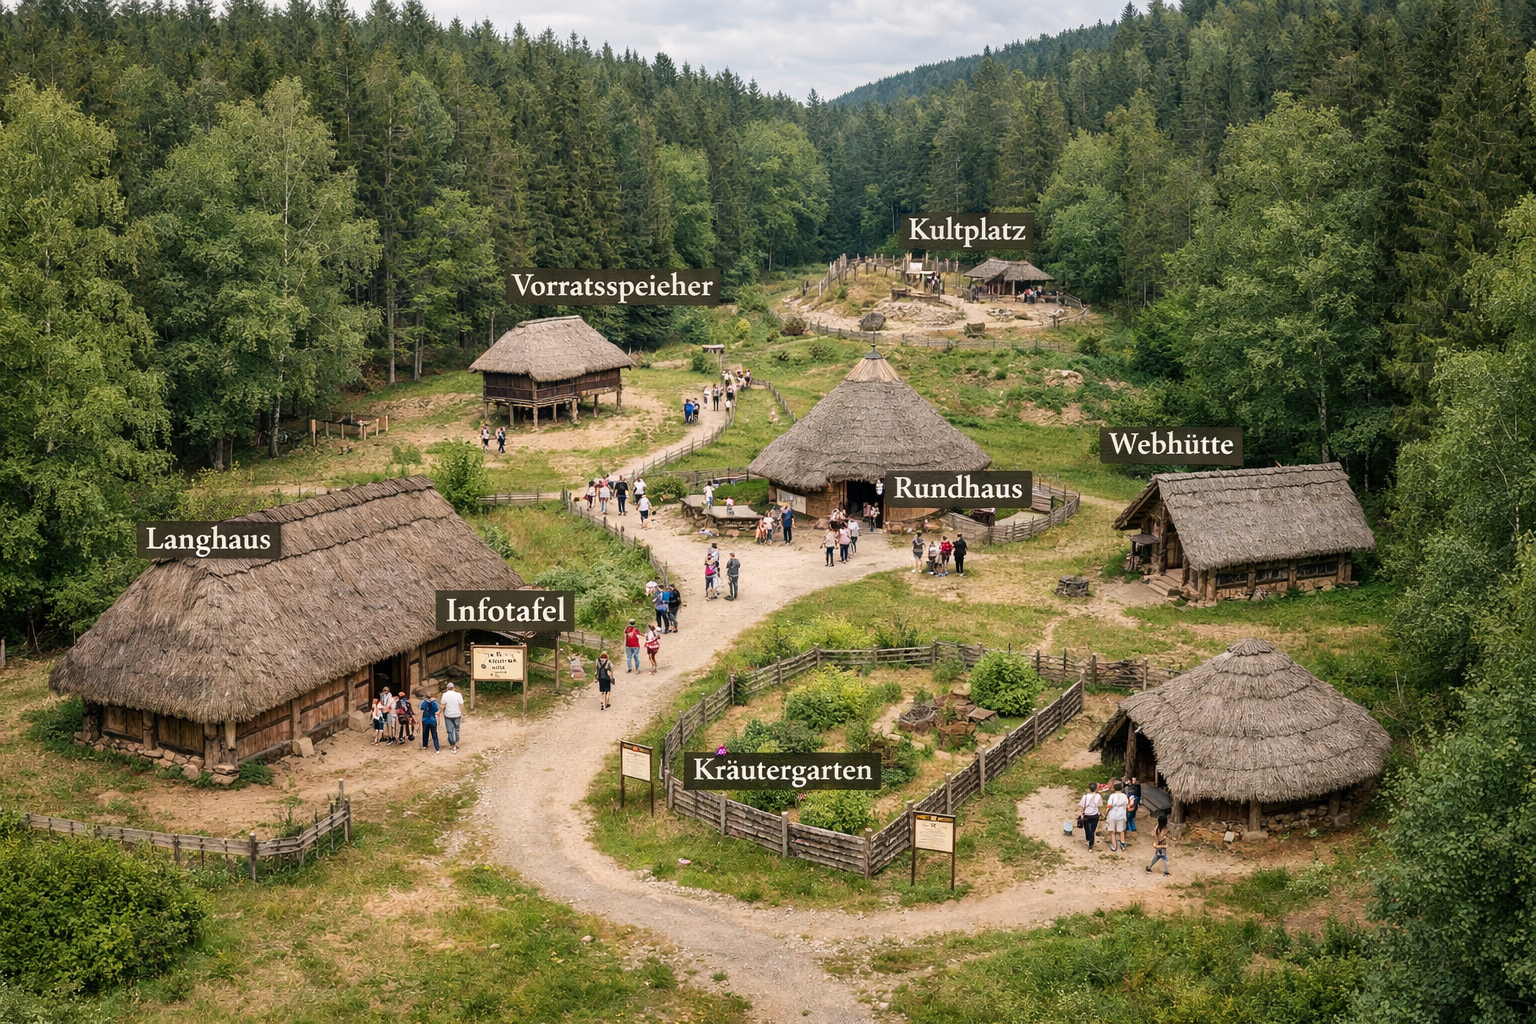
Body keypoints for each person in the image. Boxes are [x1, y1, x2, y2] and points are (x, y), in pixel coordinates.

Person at [441, 681, 465, 753]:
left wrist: (439, 712)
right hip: (457, 714)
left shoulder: (444, 695)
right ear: (454, 688)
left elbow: (442, 705)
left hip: (448, 714)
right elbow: (461, 704)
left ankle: (452, 744)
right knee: (457, 729)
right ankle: (456, 742)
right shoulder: (458, 695)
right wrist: (463, 714)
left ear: (447, 688)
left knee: (449, 730)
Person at [1105, 780, 1129, 852]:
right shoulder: (1124, 796)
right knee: (1121, 830)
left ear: (1114, 788)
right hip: (1121, 815)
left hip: (1112, 815)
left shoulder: (1112, 796)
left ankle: (1114, 846)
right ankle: (1123, 844)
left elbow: (1109, 806)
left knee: (1112, 831)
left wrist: (1106, 813)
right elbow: (1127, 805)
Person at [1079, 783, 1102, 852]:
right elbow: (1100, 805)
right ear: (1096, 788)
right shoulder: (1098, 796)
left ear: (1089, 789)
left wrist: (1081, 814)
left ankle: (1088, 838)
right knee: (1093, 830)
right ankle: (1091, 845)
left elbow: (1081, 806)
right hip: (1095, 815)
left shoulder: (1085, 797)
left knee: (1087, 829)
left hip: (1087, 814)